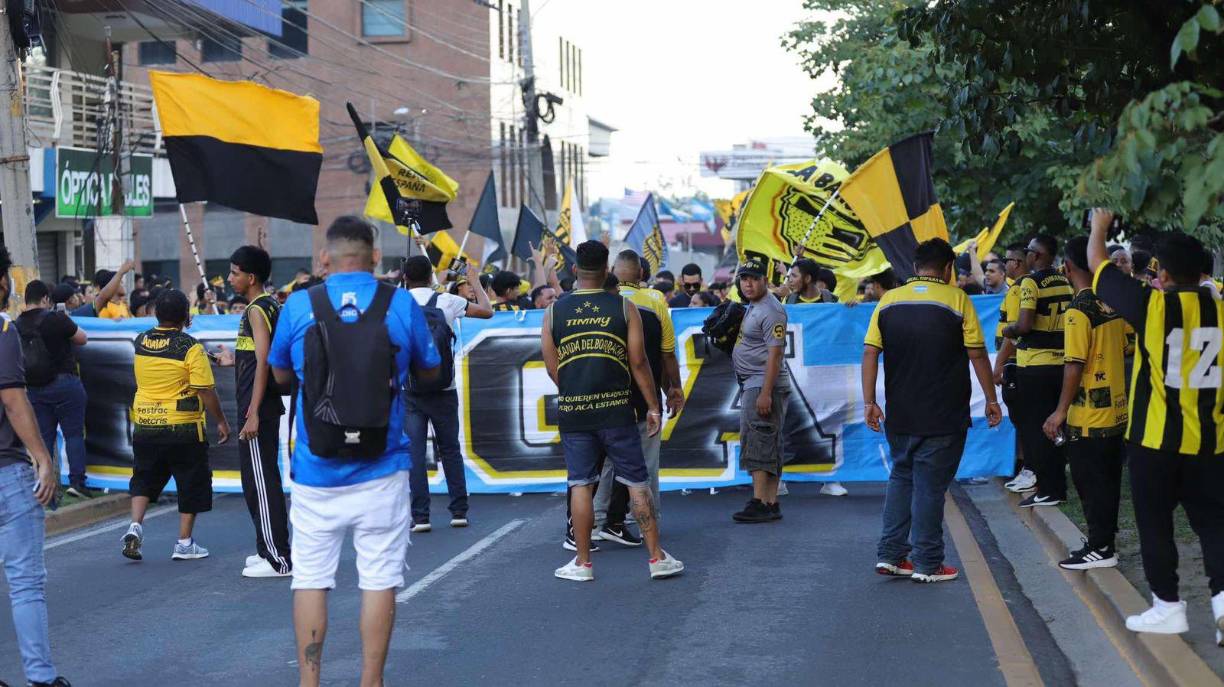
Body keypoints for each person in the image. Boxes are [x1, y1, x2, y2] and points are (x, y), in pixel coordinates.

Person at [270, 217, 440, 687]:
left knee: (310, 578)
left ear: (325, 258)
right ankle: (371, 681)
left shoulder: (300, 305)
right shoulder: (400, 302)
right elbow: (430, 369)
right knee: (379, 578)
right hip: (382, 466)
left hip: (315, 468)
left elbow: (281, 375)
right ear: (375, 258)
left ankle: (309, 682)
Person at [1088, 210, 1224, 642]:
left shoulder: (1149, 305)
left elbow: (1097, 264)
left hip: (1154, 441)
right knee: (1215, 525)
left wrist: (1098, 228)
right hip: (1211, 440)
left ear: (1161, 274)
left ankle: (1167, 607)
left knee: (1154, 523)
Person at [542, 240, 683, 582]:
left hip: (575, 410)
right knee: (636, 481)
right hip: (617, 408)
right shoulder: (624, 308)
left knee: (580, 483)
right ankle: (656, 558)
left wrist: (575, 389)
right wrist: (652, 405)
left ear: (575, 270)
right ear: (607, 271)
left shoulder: (553, 312)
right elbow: (639, 362)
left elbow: (551, 365)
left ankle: (583, 563)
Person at [863, 238, 1003, 582]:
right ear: (947, 269)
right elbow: (977, 355)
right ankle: (928, 562)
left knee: (901, 477)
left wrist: (870, 402)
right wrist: (991, 398)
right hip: (944, 415)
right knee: (929, 486)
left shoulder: (888, 301)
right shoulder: (958, 300)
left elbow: (870, 353)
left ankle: (891, 555)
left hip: (900, 414)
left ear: (914, 268)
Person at [0, 248, 72, 687]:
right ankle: (42, 680)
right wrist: (43, 457)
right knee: (26, 583)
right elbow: (12, 398)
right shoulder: (2, 329)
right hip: (7, 472)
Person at [1040, 236, 1129, 570]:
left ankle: (1100, 547)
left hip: (1089, 414)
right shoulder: (1112, 303)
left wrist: (1060, 410)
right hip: (1117, 411)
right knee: (1108, 480)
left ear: (1067, 267)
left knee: (1090, 481)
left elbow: (1074, 362)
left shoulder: (1078, 310)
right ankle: (1104, 541)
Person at [121, 289, 230, 562]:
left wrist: (216, 359)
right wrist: (221, 421)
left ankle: (135, 525)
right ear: (186, 315)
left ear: (156, 313)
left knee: (143, 477)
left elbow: (172, 348)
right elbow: (205, 390)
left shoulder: (141, 341)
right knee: (190, 481)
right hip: (183, 427)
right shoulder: (190, 348)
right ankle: (184, 543)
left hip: (146, 423)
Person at [590, 249, 686, 546]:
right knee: (646, 461)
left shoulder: (599, 303)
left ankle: (596, 521)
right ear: (642, 274)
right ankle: (645, 518)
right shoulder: (656, 302)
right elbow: (667, 353)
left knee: (606, 461)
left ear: (613, 273)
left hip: (607, 395)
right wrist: (674, 388)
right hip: (645, 397)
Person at [403, 255, 493, 533]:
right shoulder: (447, 301)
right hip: (444, 388)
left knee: (416, 453)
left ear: (406, 278)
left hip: (410, 390)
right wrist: (475, 280)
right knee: (450, 449)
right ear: (431, 276)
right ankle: (459, 511)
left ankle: (421, 516)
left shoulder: (395, 303)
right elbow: (487, 311)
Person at [222, 246, 293, 579]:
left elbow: (264, 360)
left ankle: (278, 559)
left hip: (258, 408)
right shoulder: (267, 306)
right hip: (259, 406)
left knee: (261, 483)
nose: (229, 278)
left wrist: (252, 412)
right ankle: (267, 548)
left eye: (235, 272)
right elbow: (256, 355)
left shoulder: (256, 309)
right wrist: (231, 359)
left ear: (251, 278)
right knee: (259, 479)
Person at [1002, 234, 1073, 508]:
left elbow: (1024, 325)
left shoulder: (1031, 282)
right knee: (1057, 428)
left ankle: (1048, 489)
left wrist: (1010, 330)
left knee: (1036, 428)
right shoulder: (1064, 280)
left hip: (1035, 365)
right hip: (1061, 364)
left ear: (1038, 255)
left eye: (1030, 251)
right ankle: (1057, 485)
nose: (1027, 256)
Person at [729, 254, 793, 523]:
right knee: (768, 440)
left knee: (759, 439)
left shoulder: (771, 310)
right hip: (755, 382)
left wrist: (766, 392)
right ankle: (770, 502)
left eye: (754, 279)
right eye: (744, 278)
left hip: (763, 384)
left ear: (765, 280)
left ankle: (759, 501)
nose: (748, 284)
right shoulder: (755, 305)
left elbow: (775, 355)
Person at [17, 281, 90, 498]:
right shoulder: (56, 318)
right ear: (46, 299)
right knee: (74, 434)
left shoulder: (16, 325)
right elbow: (82, 338)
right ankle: (77, 482)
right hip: (65, 384)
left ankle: (45, 487)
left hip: (35, 389)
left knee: (44, 439)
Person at [995, 242, 1035, 494]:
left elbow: (1014, 333)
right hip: (1017, 363)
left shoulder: (1021, 289)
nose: (1004, 264)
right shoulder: (1019, 288)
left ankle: (1029, 468)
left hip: (1018, 363)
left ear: (1017, 263)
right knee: (1021, 418)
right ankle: (1024, 466)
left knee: (1024, 418)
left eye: (1007, 260)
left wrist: (999, 364)